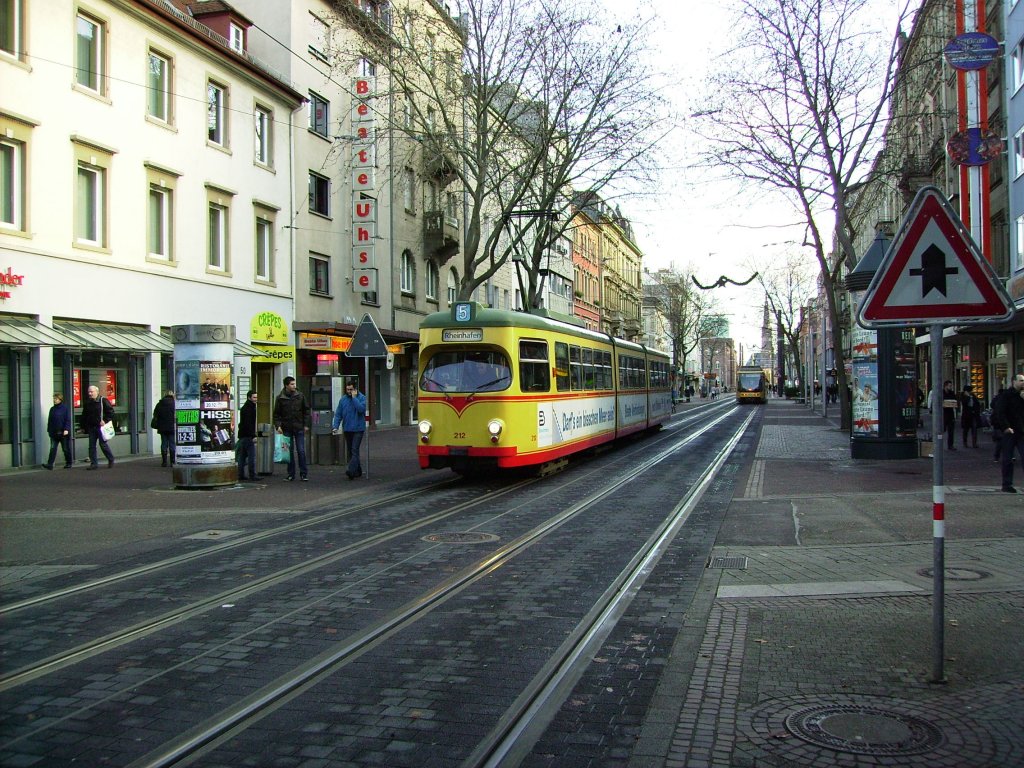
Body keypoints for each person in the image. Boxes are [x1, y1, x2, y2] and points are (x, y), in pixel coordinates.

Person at [990, 374, 1024, 492]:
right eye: (1020, 381)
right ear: (1014, 381)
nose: (1023, 383)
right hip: (1010, 431)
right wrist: (1006, 427)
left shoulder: (1022, 396)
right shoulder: (1006, 395)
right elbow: (1000, 412)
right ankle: (1007, 484)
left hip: (1021, 431)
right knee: (1008, 458)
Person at [273, 376, 310, 481]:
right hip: (287, 427)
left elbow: (306, 410)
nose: (294, 386)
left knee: (301, 451)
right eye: (292, 384)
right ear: (286, 385)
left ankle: (303, 474)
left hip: (298, 427)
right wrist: (278, 425)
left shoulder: (300, 396)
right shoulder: (280, 398)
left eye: (294, 384)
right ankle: (291, 474)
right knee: (288, 452)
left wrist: (306, 424)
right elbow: (276, 414)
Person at [332, 381, 367, 480]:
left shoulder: (362, 398)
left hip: (358, 429)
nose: (349, 391)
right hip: (347, 428)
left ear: (355, 389)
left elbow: (361, 409)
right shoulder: (343, 400)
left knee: (354, 450)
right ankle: (358, 470)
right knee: (351, 451)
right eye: (347, 389)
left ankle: (351, 471)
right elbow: (339, 414)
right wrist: (335, 426)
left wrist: (354, 398)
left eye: (351, 389)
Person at [82, 384, 115, 470]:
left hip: (101, 427)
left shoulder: (103, 401)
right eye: (89, 392)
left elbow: (111, 412)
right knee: (91, 446)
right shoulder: (87, 403)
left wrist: (105, 420)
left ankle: (111, 459)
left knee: (102, 444)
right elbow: (84, 415)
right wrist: (84, 426)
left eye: (91, 392)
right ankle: (94, 464)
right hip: (91, 427)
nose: (90, 393)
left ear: (97, 392)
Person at [43, 393, 73, 469]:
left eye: (56, 399)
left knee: (65, 448)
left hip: (63, 432)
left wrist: (66, 429)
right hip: (54, 433)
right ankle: (50, 464)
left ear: (60, 399)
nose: (54, 400)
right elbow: (50, 420)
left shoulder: (65, 408)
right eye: (54, 399)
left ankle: (69, 462)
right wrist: (49, 430)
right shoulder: (52, 409)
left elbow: (68, 419)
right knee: (53, 448)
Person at [237, 390, 258, 481]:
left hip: (242, 435)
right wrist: (253, 435)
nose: (256, 399)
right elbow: (249, 424)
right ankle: (252, 475)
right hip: (248, 435)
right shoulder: (250, 408)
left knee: (242, 456)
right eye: (254, 397)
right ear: (249, 397)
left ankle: (240, 474)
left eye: (256, 397)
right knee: (251, 456)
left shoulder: (245, 407)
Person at [152, 390, 176, 467]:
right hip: (172, 427)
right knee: (172, 444)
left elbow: (155, 414)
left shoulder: (159, 404)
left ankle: (164, 462)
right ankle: (172, 461)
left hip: (162, 427)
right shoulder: (174, 404)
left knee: (164, 443)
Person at [960, 384, 982, 449]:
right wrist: (968, 397)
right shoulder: (963, 396)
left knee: (974, 429)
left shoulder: (973, 396)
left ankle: (974, 443)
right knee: (966, 430)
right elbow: (964, 403)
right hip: (966, 415)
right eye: (969, 391)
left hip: (973, 415)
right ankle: (965, 442)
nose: (970, 392)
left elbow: (977, 403)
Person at [941, 380, 959, 451]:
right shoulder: (941, 393)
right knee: (941, 430)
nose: (951, 387)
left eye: (951, 386)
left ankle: (950, 445)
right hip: (943, 414)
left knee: (951, 431)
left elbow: (955, 402)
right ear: (945, 386)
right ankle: (938, 444)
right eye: (949, 386)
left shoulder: (952, 393)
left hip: (950, 414)